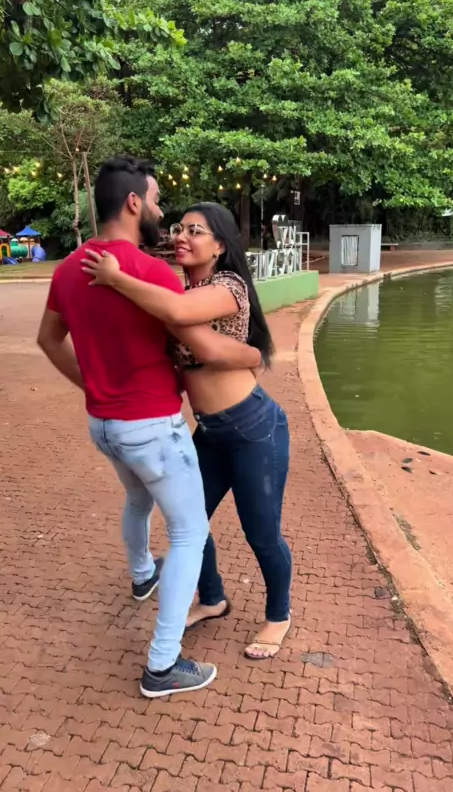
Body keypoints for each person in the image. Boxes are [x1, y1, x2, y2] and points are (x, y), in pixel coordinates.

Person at [37, 158, 262, 697]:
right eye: (157, 199)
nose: (162, 211)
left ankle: (143, 575)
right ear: (134, 202)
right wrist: (255, 355)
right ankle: (163, 664)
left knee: (138, 498)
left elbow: (48, 340)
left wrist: (93, 385)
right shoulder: (153, 274)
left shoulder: (67, 270)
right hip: (152, 428)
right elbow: (203, 346)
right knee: (189, 533)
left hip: (104, 425)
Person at [81, 202, 292, 660]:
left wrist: (116, 278)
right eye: (180, 228)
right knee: (189, 523)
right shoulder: (181, 290)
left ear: (219, 246)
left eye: (196, 231)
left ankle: (279, 615)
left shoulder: (228, 286)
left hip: (254, 428)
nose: (182, 236)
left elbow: (180, 317)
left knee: (262, 533)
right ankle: (212, 598)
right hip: (210, 432)